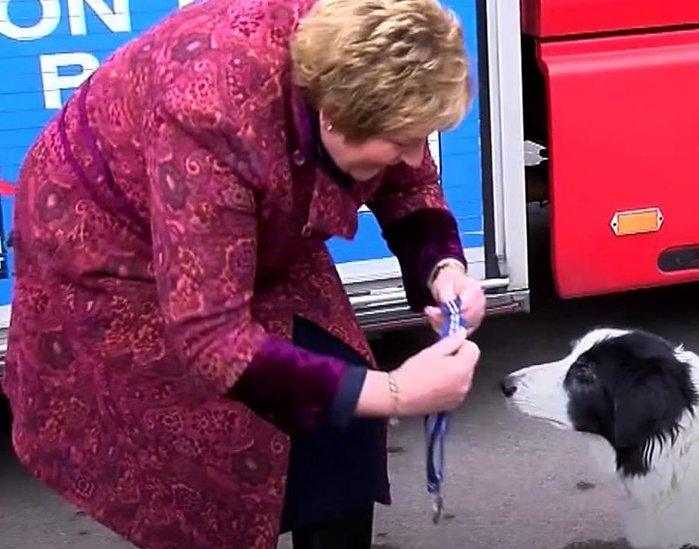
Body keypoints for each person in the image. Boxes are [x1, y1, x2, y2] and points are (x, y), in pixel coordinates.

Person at [0, 0, 486, 547]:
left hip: (246, 204)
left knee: (344, 418)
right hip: (114, 242)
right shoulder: (211, 113)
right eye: (401, 142)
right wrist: (396, 391)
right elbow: (212, 340)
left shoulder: (359, 72)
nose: (414, 156)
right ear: (333, 114)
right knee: (198, 455)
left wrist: (442, 269)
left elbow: (411, 184)